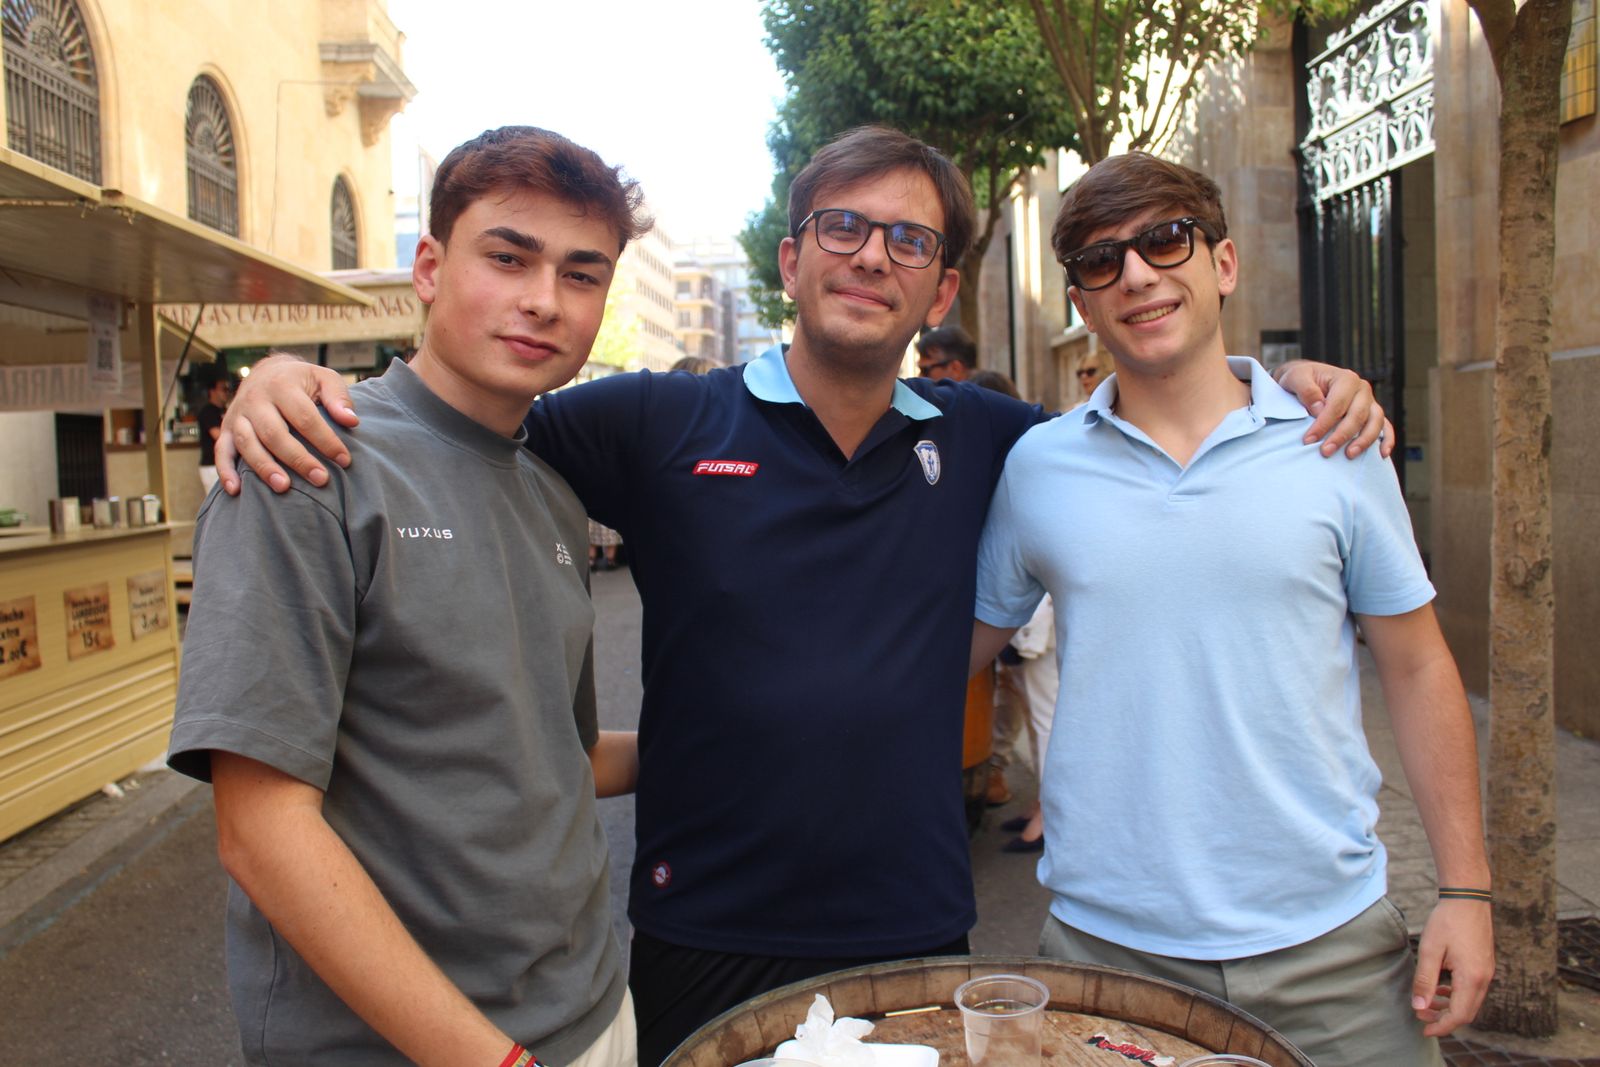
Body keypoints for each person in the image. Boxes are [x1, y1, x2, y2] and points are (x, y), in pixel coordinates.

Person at [213, 126, 1391, 1065]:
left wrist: (1285, 381)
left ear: (941, 292)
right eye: (842, 226)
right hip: (701, 930)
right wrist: (291, 382)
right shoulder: (652, 421)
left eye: (909, 241)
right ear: (790, 257)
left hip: (916, 925)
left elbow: (1147, 419)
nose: (872, 255)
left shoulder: (997, 440)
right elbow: (464, 417)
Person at [970, 151, 1493, 1066]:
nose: (1136, 273)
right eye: (1101, 261)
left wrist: (1467, 890)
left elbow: (1417, 663)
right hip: (1108, 956)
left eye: (1165, 240)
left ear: (1222, 263)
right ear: (1082, 305)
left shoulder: (1337, 441)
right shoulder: (1038, 468)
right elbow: (955, 652)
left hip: (1333, 955)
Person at [167, 127, 648, 1067]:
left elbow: (565, 751)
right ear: (428, 266)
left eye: (581, 275)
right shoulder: (309, 460)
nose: (543, 300)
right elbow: (260, 828)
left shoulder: (550, 490)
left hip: (592, 1010)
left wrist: (743, 738)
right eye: (508, 257)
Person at [195, 375, 233, 492]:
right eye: (223, 389)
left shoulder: (225, 411)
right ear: (212, 391)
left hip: (225, 463)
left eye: (228, 389)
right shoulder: (208, 411)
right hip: (211, 464)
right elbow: (217, 435)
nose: (226, 392)